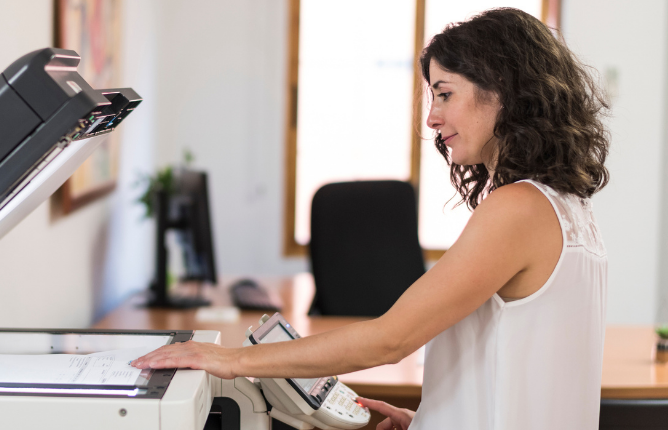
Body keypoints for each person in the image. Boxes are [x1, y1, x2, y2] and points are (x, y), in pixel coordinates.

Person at [132, 7, 610, 430]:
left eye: (444, 94)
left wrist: (232, 359)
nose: (432, 119)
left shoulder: (518, 208)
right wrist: (436, 416)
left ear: (502, 90)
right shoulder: (568, 209)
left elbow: (389, 340)